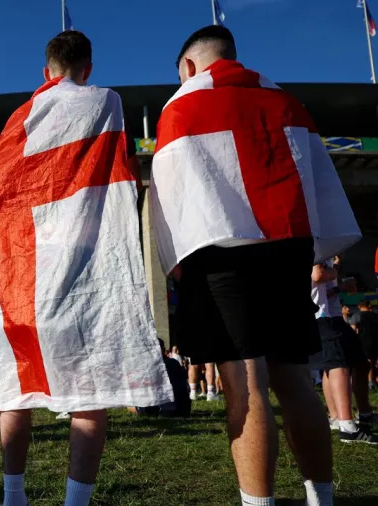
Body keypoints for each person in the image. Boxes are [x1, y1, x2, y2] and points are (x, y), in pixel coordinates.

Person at [150, 25, 363, 506]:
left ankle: (257, 502)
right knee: (292, 376)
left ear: (187, 67)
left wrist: (176, 265)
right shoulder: (286, 101)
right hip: (287, 246)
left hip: (221, 253)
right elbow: (319, 184)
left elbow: (172, 200)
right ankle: (321, 497)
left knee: (244, 379)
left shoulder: (181, 105)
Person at [0, 30, 171, 506]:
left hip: (20, 279)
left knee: (16, 391)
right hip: (79, 276)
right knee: (90, 391)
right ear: (89, 68)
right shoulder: (104, 101)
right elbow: (124, 172)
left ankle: (12, 495)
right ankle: (74, 502)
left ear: (46, 71)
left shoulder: (18, 122)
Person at [312, 259, 377, 438]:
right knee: (336, 365)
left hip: (332, 315)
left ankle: (362, 414)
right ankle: (346, 426)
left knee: (360, 363)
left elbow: (322, 289)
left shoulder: (326, 251)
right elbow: (317, 275)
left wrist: (339, 287)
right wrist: (337, 274)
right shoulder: (318, 245)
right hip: (321, 316)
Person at [349, 300, 378, 390]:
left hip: (363, 341)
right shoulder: (375, 315)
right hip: (376, 340)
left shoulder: (356, 316)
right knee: (375, 361)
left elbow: (353, 331)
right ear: (369, 306)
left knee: (367, 362)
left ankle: (370, 383)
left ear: (359, 306)